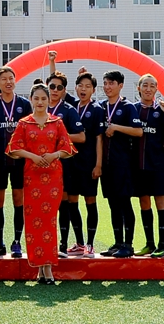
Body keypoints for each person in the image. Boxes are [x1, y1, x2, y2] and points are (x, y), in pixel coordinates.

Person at [6, 83, 75, 284]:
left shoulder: (57, 122)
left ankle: (48, 267)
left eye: (43, 98)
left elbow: (68, 149)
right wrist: (32, 156)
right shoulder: (24, 123)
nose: (40, 102)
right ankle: (39, 267)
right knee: (34, 222)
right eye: (36, 98)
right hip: (32, 177)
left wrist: (54, 155)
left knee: (50, 220)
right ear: (31, 100)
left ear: (49, 100)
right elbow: (12, 148)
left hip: (53, 178)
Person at [0, 66, 32, 258]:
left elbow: (30, 131)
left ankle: (17, 242)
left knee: (19, 200)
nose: (8, 82)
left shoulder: (24, 104)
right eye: (4, 79)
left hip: (20, 161)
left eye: (11, 78)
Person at [98, 70, 142, 258]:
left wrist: (116, 127)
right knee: (113, 204)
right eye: (105, 83)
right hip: (106, 164)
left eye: (111, 83)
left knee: (124, 203)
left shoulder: (128, 107)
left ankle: (128, 245)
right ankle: (117, 243)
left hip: (123, 163)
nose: (107, 87)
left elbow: (138, 131)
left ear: (120, 85)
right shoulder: (101, 107)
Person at [133, 74, 164, 257]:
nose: (148, 89)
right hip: (138, 165)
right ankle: (149, 244)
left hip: (158, 165)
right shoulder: (133, 109)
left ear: (157, 89)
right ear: (139, 88)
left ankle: (162, 245)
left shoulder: (162, 109)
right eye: (145, 85)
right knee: (144, 202)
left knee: (160, 202)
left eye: (152, 86)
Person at [46, 70, 85, 257]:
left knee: (67, 203)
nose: (55, 90)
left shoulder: (69, 110)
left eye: (59, 87)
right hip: (42, 164)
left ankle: (66, 244)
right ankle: (46, 243)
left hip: (64, 164)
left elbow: (81, 136)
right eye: (52, 86)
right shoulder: (39, 108)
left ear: (64, 91)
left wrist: (59, 135)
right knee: (46, 205)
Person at [70, 73, 104, 256]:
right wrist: (52, 62)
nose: (83, 89)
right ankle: (79, 243)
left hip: (89, 162)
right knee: (72, 201)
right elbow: (55, 82)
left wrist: (98, 164)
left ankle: (90, 244)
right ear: (75, 87)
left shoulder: (97, 109)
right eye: (80, 85)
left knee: (90, 201)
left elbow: (99, 139)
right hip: (71, 162)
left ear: (93, 90)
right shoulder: (71, 107)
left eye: (88, 86)